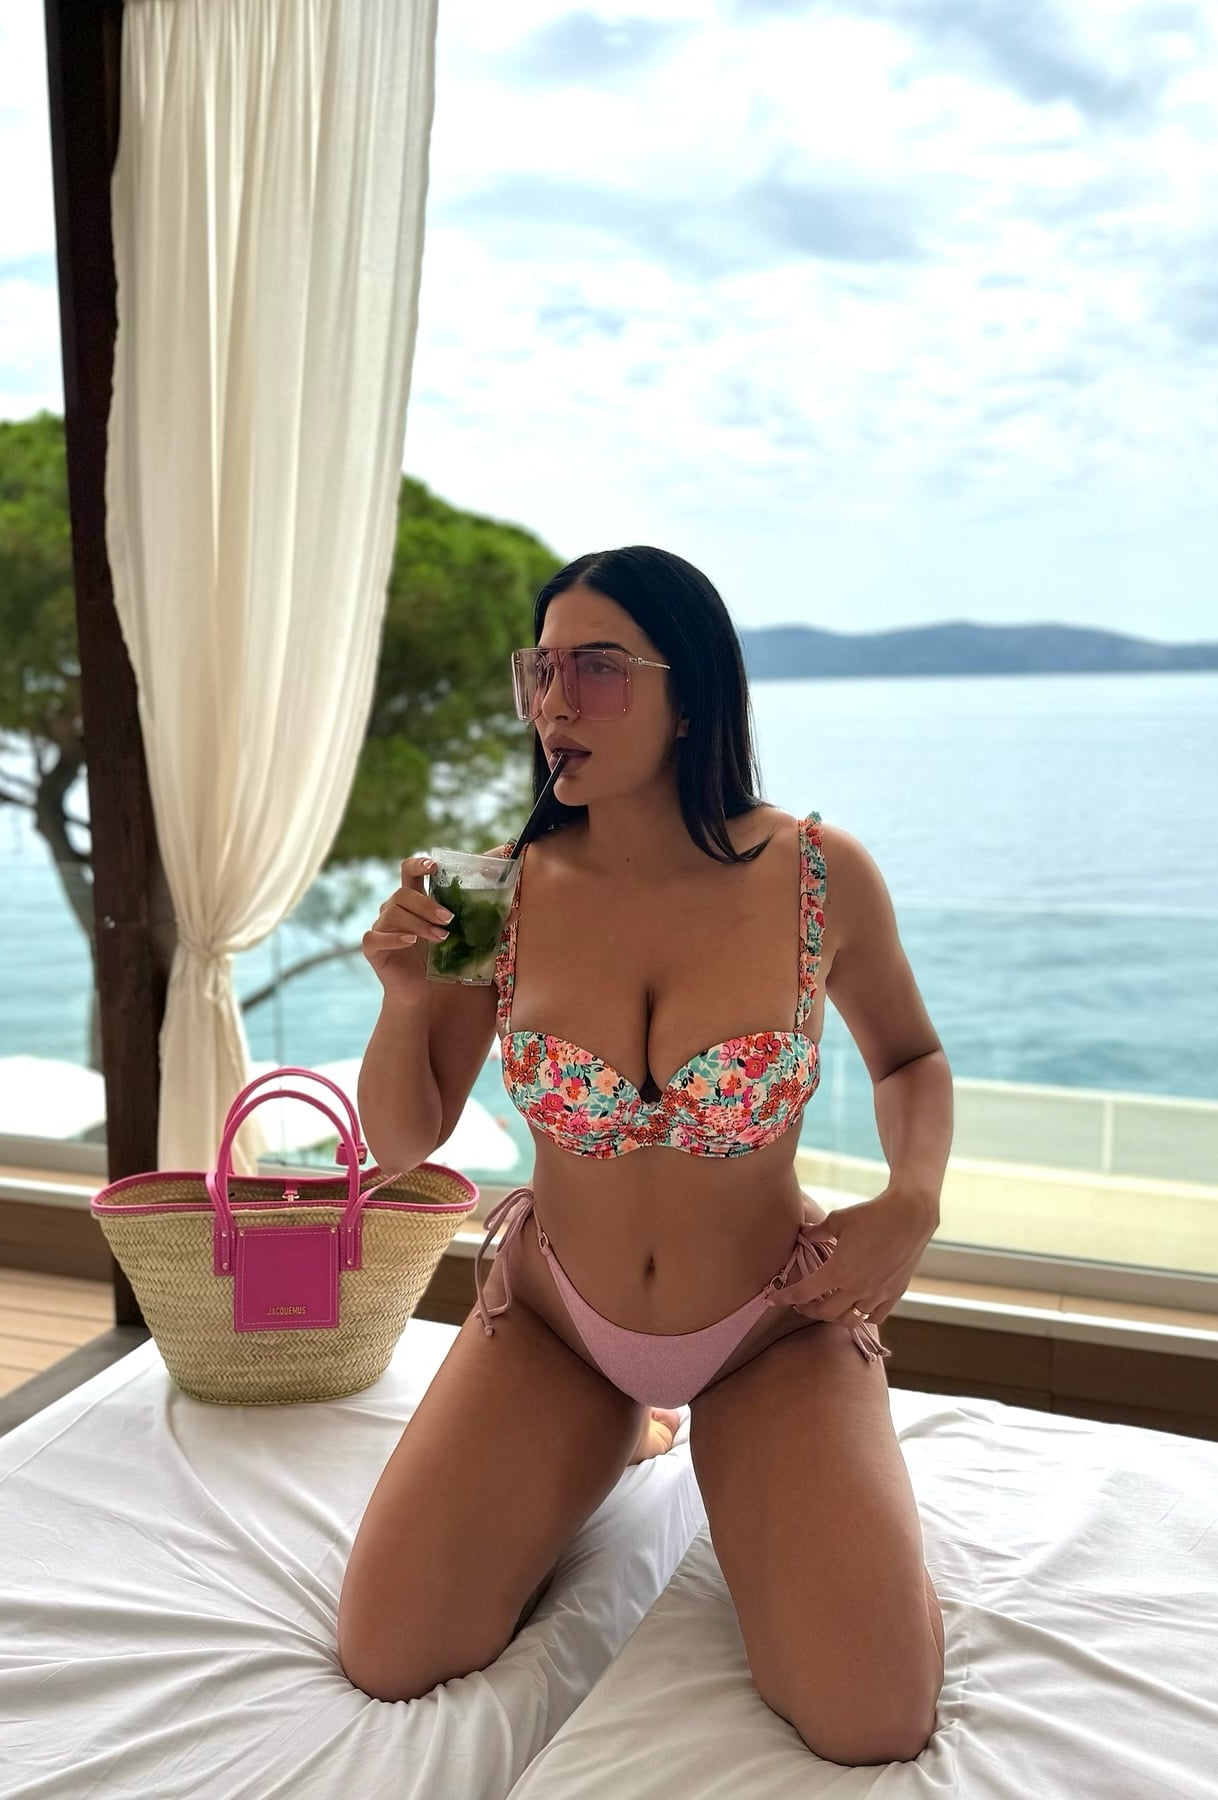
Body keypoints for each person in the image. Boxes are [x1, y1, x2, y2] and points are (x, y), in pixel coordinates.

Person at [338, 547, 952, 1767]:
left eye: (600, 669)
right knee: (390, 1652)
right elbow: (402, 1142)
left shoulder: (817, 874)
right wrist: (406, 1001)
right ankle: (625, 1429)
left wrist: (913, 1201)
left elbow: (909, 1059)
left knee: (872, 1718)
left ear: (691, 695)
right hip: (560, 1324)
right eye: (541, 670)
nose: (557, 703)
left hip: (773, 1327)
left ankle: (741, 1447)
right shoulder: (494, 896)